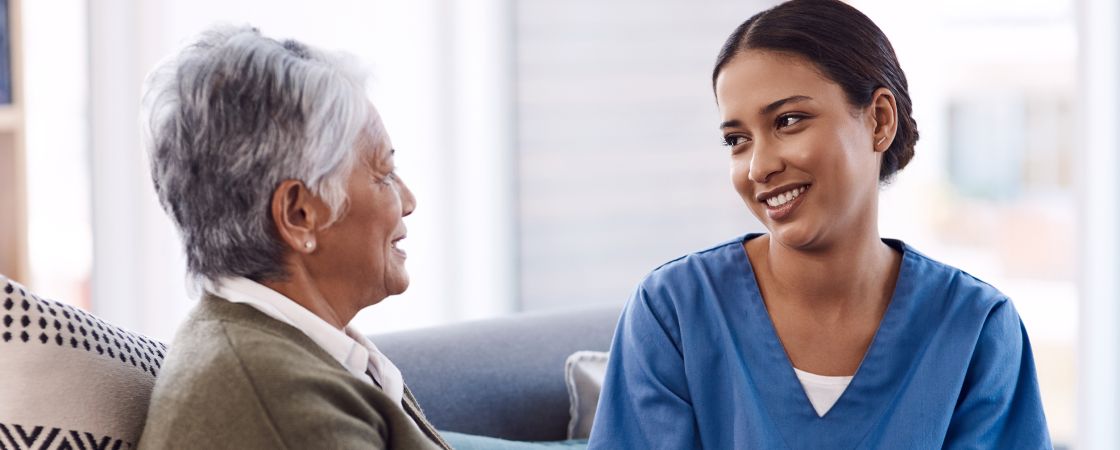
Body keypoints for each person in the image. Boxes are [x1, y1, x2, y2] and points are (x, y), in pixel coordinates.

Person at [587, 1, 1052, 448]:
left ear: (879, 121)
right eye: (737, 139)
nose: (758, 167)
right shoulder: (673, 312)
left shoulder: (976, 329)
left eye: (789, 120)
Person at [137, 25, 450, 449]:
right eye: (384, 174)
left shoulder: (287, 347)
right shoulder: (279, 406)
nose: (408, 200)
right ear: (299, 214)